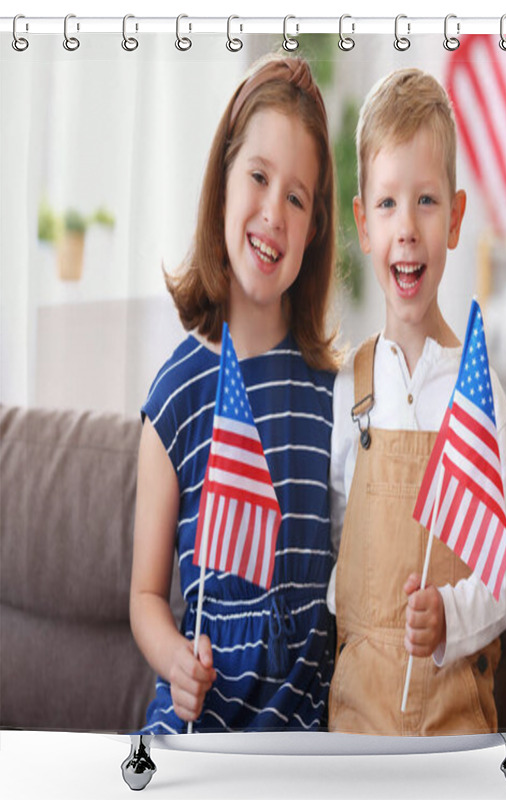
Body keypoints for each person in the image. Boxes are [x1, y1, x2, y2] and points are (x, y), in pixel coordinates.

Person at [130, 54, 340, 733]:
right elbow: (143, 597)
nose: (273, 212)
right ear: (222, 183)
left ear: (313, 232)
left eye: (297, 197)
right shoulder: (176, 395)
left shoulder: (336, 396)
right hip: (200, 728)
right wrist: (175, 662)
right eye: (257, 177)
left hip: (304, 734)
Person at [327, 68, 506, 736]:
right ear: (362, 223)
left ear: (456, 219)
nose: (406, 228)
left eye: (426, 202)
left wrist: (452, 613)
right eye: (386, 204)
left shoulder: (481, 402)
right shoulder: (350, 391)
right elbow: (335, 547)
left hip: (452, 722)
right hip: (356, 723)